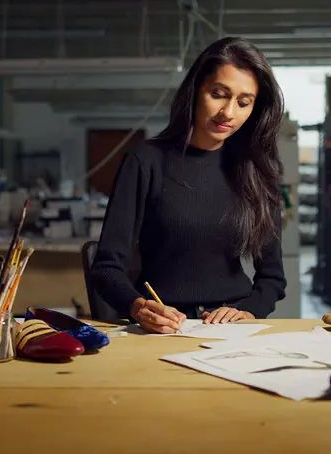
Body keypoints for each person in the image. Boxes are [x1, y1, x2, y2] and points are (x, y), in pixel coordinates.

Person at [89, 36, 287, 334]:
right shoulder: (145, 161)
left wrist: (249, 311)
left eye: (243, 102)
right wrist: (138, 306)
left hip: (231, 331)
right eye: (219, 94)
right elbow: (106, 269)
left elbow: (272, 278)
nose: (228, 113)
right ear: (195, 91)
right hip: (161, 326)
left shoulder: (257, 170)